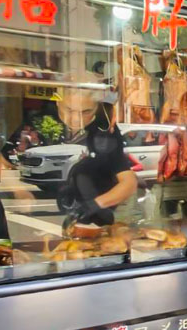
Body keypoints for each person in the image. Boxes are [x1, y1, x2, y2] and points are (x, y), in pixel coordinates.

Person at [55, 75, 138, 226]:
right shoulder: (39, 119)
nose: (76, 119)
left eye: (86, 111)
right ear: (58, 102)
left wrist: (93, 205)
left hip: (95, 220)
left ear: (96, 108)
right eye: (69, 109)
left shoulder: (104, 131)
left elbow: (129, 182)